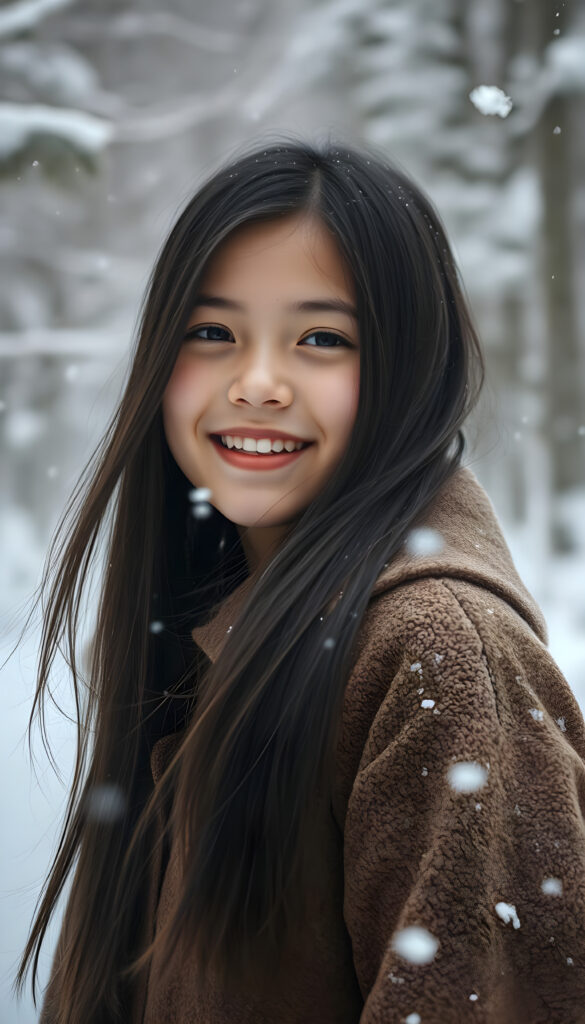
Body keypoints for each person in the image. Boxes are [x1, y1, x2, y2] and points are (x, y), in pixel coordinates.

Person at [12, 136, 585, 1024]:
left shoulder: (436, 656)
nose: (258, 382)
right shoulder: (203, 622)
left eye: (321, 338)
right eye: (213, 333)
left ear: (409, 365)